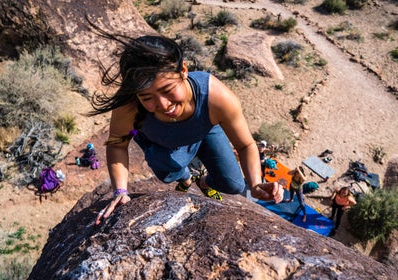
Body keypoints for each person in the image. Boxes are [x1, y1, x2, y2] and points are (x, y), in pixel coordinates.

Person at [86, 29, 284, 225]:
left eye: (167, 90)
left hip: (204, 131)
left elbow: (245, 145)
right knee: (167, 169)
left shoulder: (215, 97)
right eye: (147, 97)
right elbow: (117, 145)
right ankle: (186, 178)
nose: (163, 105)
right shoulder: (129, 106)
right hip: (161, 143)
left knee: (233, 185)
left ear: (183, 71)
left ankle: (203, 182)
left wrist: (256, 184)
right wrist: (120, 191)